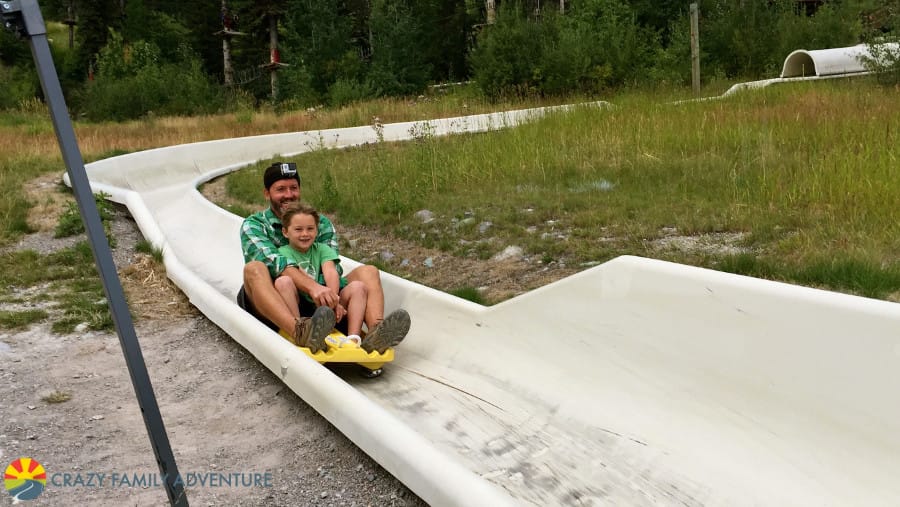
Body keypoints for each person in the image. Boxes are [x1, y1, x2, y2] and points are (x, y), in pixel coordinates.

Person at [237, 161, 410, 353]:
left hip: (321, 302)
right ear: (267, 193)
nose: (288, 195)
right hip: (280, 300)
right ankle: (299, 330)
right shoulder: (254, 225)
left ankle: (376, 333)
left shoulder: (319, 223)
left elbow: (331, 266)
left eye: (293, 188)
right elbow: (277, 264)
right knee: (254, 269)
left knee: (368, 272)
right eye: (280, 189)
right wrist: (314, 288)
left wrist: (332, 299)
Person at [275, 202, 368, 351]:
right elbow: (300, 274)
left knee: (359, 286)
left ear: (317, 231)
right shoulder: (283, 252)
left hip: (326, 305)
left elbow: (331, 272)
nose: (305, 234)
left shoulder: (322, 249)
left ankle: (352, 340)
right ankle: (300, 330)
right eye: (298, 229)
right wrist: (318, 294)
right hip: (302, 303)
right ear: (286, 232)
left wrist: (334, 300)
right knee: (283, 282)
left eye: (310, 229)